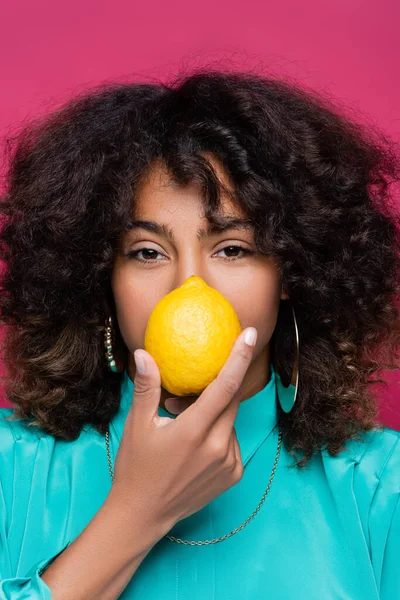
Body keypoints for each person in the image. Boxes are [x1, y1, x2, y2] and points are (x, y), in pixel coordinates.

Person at [0, 68, 399, 600]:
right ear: (102, 279)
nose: (189, 288)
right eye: (147, 252)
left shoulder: (380, 488)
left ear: (291, 271)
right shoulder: (11, 470)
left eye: (232, 248)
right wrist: (136, 512)